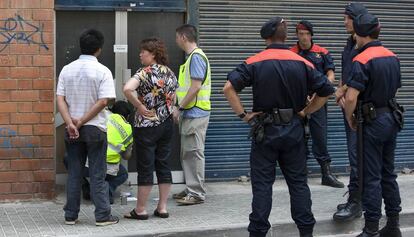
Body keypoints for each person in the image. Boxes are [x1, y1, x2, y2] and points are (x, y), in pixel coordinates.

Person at [223, 17, 335, 237]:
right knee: (298, 184)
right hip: (294, 130)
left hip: (265, 131)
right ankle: (306, 232)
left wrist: (245, 116)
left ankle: (258, 232)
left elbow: (228, 88)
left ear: (265, 38)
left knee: (263, 186)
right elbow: (327, 90)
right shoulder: (302, 62)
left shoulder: (255, 61)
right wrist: (306, 111)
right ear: (286, 38)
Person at [336, 13, 403, 237]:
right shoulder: (392, 56)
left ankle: (371, 229)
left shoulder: (361, 59)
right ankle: (393, 226)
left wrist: (350, 118)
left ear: (360, 34)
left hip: (371, 122)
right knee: (388, 173)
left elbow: (352, 97)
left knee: (371, 177)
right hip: (391, 118)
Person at [56, 29, 119, 226]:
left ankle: (70, 215)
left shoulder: (67, 69)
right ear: (99, 49)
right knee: (97, 174)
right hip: (94, 129)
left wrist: (70, 123)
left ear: (80, 46)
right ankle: (102, 216)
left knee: (74, 172)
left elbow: (60, 99)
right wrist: (81, 122)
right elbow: (103, 102)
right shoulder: (103, 71)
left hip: (72, 128)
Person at [123, 38, 178, 220]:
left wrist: (139, 106)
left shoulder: (144, 72)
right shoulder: (170, 73)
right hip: (166, 124)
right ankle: (162, 208)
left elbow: (127, 89)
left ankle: (140, 209)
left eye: (143, 52)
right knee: (163, 163)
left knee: (145, 166)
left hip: (146, 125)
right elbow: (174, 98)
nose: (140, 54)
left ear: (153, 54)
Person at [290, 20, 344, 188]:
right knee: (296, 136)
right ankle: (299, 172)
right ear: (297, 35)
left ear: (312, 35)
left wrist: (320, 91)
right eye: (300, 34)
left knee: (320, 136)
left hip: (318, 100)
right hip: (297, 102)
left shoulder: (322, 52)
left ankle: (326, 173)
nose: (304, 37)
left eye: (307, 34)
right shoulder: (291, 52)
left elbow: (330, 75)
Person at [333, 2, 368, 221]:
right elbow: (347, 74)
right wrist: (341, 90)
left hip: (360, 111)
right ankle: (357, 197)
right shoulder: (350, 44)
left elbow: (359, 76)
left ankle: (358, 202)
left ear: (357, 20)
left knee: (358, 157)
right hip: (349, 107)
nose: (344, 21)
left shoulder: (363, 46)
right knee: (354, 155)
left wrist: (343, 91)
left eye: (347, 18)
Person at [173, 24, 211, 205]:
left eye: (177, 37)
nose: (176, 41)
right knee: (188, 153)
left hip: (195, 113)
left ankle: (196, 193)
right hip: (192, 113)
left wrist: (179, 107)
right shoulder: (192, 58)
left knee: (194, 153)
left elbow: (195, 87)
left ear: (183, 37)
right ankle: (191, 187)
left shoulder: (196, 57)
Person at [82, 100, 133, 205]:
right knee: (123, 174)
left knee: (71, 159)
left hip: (90, 165)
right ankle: (106, 191)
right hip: (110, 169)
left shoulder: (104, 116)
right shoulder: (128, 128)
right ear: (127, 116)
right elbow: (126, 157)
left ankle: (88, 188)